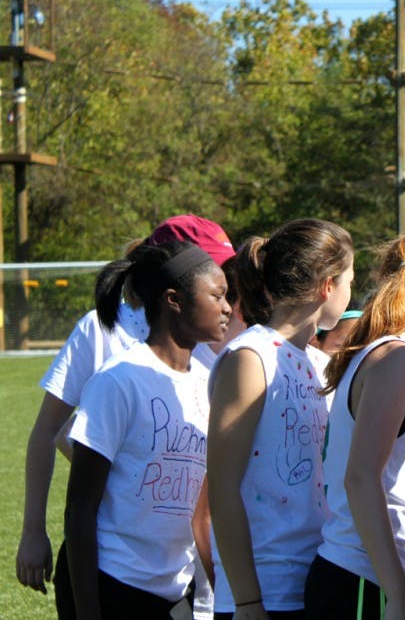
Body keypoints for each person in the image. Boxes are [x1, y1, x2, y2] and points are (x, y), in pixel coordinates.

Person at [17, 214, 235, 619]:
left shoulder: (210, 381)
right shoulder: (118, 379)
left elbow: (203, 510)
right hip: (112, 583)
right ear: (174, 299)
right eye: (218, 295)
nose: (228, 308)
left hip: (175, 588)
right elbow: (80, 509)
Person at [304, 229, 405, 620]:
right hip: (365, 581)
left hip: (382, 583)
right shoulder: (396, 359)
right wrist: (396, 592)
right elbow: (360, 479)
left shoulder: (396, 359)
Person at [208, 218, 354, 619]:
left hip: (319, 580)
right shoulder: (250, 358)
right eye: (349, 281)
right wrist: (248, 601)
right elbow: (222, 490)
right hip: (266, 593)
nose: (350, 291)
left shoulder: (319, 362)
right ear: (328, 286)